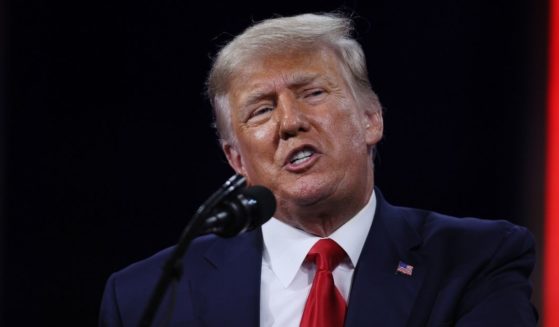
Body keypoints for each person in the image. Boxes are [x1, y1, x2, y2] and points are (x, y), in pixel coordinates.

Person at [99, 13, 538, 326]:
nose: (290, 122)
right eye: (262, 110)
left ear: (371, 119)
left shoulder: (476, 261)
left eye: (312, 93)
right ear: (236, 159)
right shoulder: (146, 297)